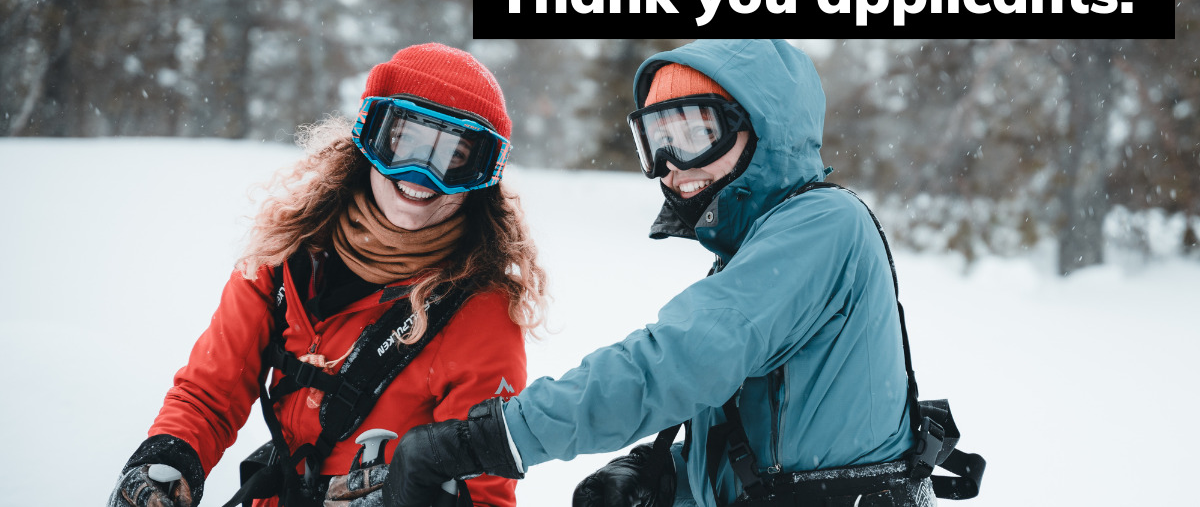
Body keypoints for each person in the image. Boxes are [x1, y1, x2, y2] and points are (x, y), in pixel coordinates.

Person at [379, 39, 950, 507]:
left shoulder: (824, 224)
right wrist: (666, 476)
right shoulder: (755, 249)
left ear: (764, 127)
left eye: (697, 134)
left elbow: (680, 361)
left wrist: (494, 437)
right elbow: (762, 437)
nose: (673, 167)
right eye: (658, 140)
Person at [107, 43, 549, 507]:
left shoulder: (482, 313)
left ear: (481, 175)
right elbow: (210, 393)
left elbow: (482, 494)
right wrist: (170, 457)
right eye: (405, 142)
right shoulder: (287, 255)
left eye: (453, 156)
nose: (421, 175)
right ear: (372, 137)